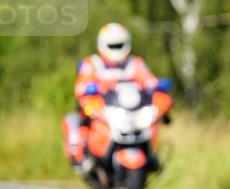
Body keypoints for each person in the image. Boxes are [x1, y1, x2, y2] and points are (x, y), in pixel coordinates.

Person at [62, 23, 161, 172]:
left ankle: (150, 156)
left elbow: (149, 80)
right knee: (74, 122)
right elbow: (81, 85)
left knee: (152, 122)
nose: (116, 50)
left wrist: (156, 87)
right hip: (103, 111)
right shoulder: (92, 64)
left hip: (130, 111)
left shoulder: (135, 63)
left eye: (119, 45)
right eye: (112, 45)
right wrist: (88, 89)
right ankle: (82, 159)